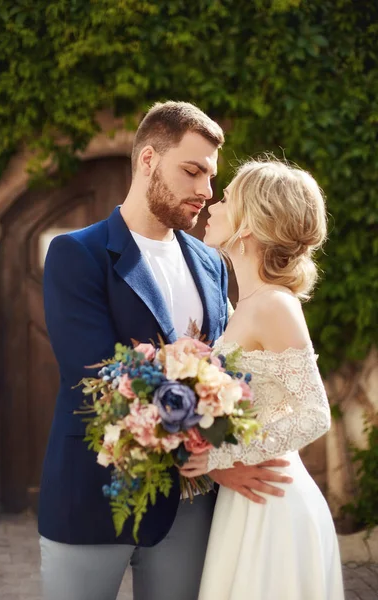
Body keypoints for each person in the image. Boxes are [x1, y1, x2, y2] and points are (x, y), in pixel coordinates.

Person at [38, 102, 293, 600]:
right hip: (94, 497)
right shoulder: (77, 254)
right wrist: (220, 462)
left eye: (211, 176)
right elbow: (100, 380)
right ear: (148, 160)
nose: (207, 190)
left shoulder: (211, 262)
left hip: (190, 512)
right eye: (192, 171)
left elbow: (227, 372)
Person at [180, 157, 345, 599]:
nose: (213, 203)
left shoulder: (275, 304)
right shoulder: (246, 305)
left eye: (228, 196)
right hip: (247, 501)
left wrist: (218, 457)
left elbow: (314, 415)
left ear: (249, 224)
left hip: (273, 503)